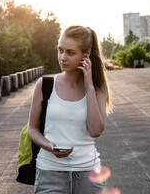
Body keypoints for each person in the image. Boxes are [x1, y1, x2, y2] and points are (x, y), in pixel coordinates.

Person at [28, 26, 111, 194]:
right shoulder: (44, 85)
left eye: (70, 53)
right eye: (60, 50)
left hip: (88, 172)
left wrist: (89, 86)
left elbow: (95, 131)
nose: (62, 58)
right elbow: (32, 129)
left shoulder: (98, 88)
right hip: (49, 172)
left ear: (86, 54)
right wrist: (48, 145)